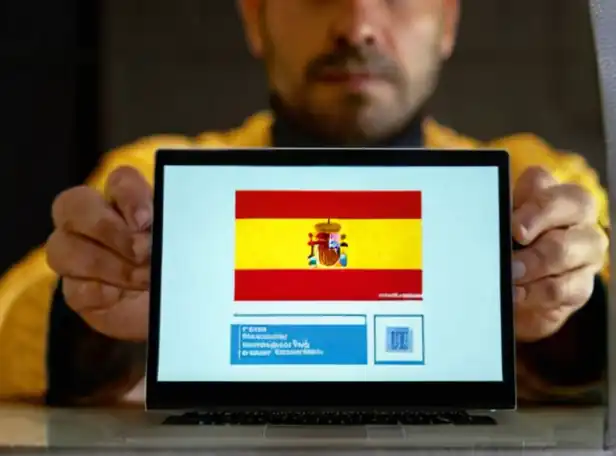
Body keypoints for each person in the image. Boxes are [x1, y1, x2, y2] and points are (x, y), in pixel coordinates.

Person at [0, 0, 609, 406]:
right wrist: (92, 328)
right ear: (254, 18)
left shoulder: (534, 181)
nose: (357, 25)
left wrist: (569, 322)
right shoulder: (154, 181)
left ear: (448, 22)